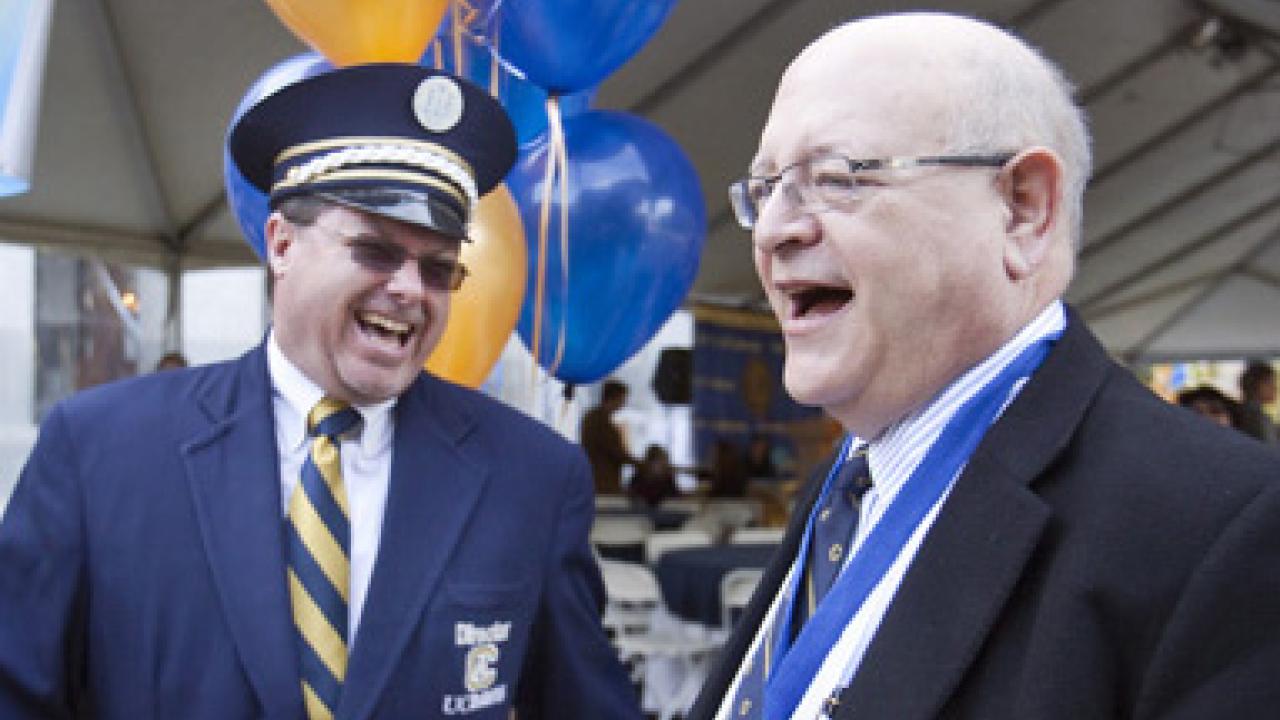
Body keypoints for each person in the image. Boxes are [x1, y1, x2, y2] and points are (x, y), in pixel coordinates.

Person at [0, 65, 640, 719]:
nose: (411, 290)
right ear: (281, 244)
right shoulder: (103, 451)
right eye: (375, 251)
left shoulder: (529, 477)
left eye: (439, 268)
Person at [690, 13, 1280, 720]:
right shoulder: (841, 490)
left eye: (838, 177)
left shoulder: (1220, 525)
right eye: (765, 188)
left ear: (1023, 210)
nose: (779, 229)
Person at [579, 379, 636, 494]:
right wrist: (644, 466)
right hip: (602, 482)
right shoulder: (599, 422)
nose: (623, 404)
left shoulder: (595, 418)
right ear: (614, 398)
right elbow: (616, 452)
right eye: (622, 399)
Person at [1237, 361, 1277, 443]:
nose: (1275, 388)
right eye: (1269, 383)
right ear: (1255, 386)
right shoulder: (1256, 418)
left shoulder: (1245, 411)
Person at [629, 444, 678, 509]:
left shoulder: (667, 479)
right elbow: (631, 497)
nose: (659, 466)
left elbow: (675, 498)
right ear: (648, 462)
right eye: (656, 462)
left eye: (662, 462)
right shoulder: (639, 477)